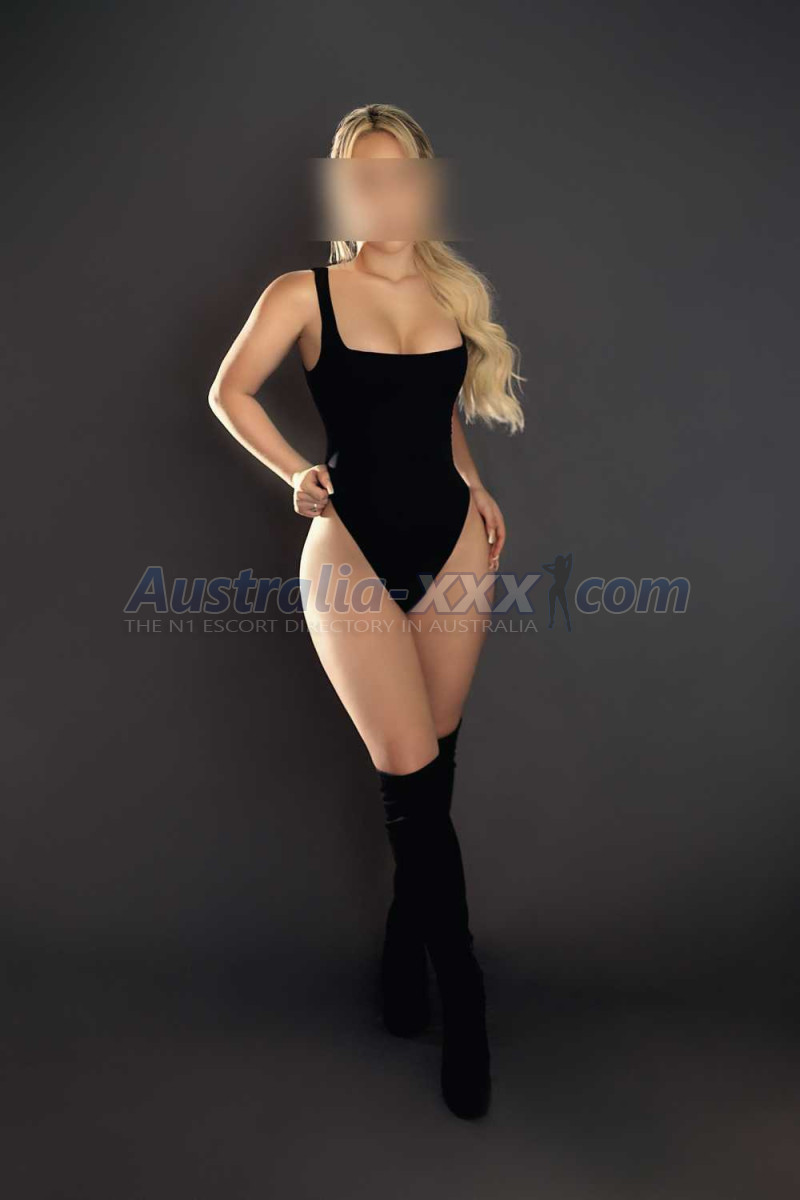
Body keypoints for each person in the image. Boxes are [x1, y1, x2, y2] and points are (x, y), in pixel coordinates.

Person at [208, 102, 525, 1119]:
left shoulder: (451, 291)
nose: (382, 196)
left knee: (436, 764)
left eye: (399, 176)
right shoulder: (302, 294)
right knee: (407, 776)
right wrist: (296, 473)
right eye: (363, 179)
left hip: (452, 544)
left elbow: (436, 418)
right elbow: (229, 393)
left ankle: (402, 953)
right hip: (349, 546)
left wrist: (473, 483)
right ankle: (462, 1000)